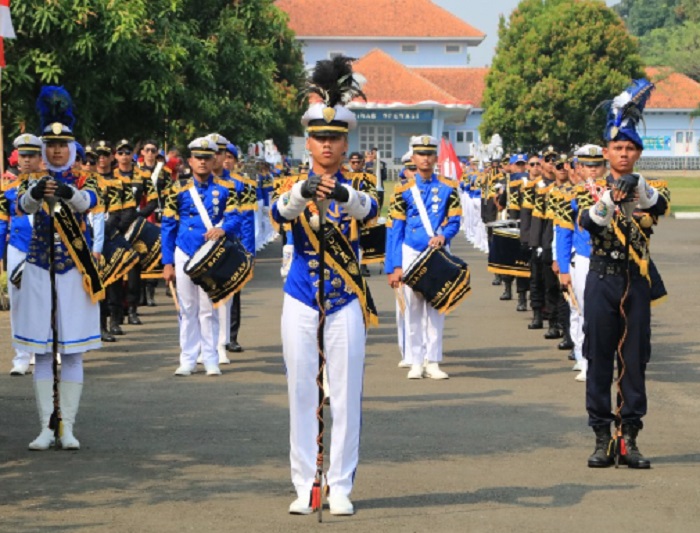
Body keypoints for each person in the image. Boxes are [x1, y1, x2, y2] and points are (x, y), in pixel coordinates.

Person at [271, 57, 378, 516]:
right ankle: (305, 482)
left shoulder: (359, 183)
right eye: (319, 137)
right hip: (300, 296)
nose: (327, 144)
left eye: (335, 138)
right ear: (308, 141)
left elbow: (370, 211)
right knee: (301, 390)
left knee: (347, 393)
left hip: (344, 298)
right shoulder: (290, 182)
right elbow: (278, 214)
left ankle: (341, 484)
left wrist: (340, 194)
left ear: (345, 141)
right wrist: (304, 192)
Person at [578, 80, 668, 469]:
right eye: (617, 148)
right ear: (606, 151)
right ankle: (602, 437)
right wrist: (608, 198)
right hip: (601, 278)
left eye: (631, 148)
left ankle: (629, 437)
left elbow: (659, 206)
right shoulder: (589, 188)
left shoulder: (650, 187)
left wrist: (638, 186)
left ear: (638, 152)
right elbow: (589, 222)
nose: (624, 153)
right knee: (598, 357)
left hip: (635, 280)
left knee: (634, 359)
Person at [16, 86, 104, 450]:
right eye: (50, 146)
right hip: (39, 270)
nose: (56, 150)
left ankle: (67, 425)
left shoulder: (85, 180)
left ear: (72, 148)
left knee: (71, 351)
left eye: (62, 144)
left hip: (74, 272)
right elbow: (21, 205)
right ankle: (44, 426)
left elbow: (89, 202)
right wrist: (38, 193)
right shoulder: (30, 180)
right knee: (40, 351)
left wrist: (66, 194)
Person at [161, 137, 241, 377]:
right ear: (190, 161)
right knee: (187, 308)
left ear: (214, 159)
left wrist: (223, 229)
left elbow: (236, 218)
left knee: (208, 309)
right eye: (198, 158)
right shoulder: (177, 190)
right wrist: (167, 262)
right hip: (184, 251)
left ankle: (210, 357)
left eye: (208, 157)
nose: (203, 162)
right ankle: (187, 358)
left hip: (211, 255)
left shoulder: (226, 189)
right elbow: (168, 226)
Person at [386, 135, 462, 380]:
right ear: (413, 158)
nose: (426, 159)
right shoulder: (402, 190)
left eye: (430, 154)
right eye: (421, 154)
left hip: (437, 252)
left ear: (435, 157)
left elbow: (455, 221)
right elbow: (395, 230)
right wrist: (394, 266)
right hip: (411, 252)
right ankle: (416, 360)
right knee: (413, 308)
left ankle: (433, 360)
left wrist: (444, 236)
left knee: (436, 308)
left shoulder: (449, 187)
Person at [555, 144, 606, 382]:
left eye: (597, 165)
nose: (593, 170)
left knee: (605, 313)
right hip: (583, 258)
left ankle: (601, 358)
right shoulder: (570, 196)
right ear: (579, 168)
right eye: (587, 166)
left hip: (608, 259)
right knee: (582, 310)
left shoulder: (612, 192)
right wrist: (563, 268)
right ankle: (584, 358)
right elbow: (563, 234)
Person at [1, 134, 43, 375]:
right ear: (17, 159)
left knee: (45, 301)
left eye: (32, 156)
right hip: (17, 247)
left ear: (39, 158)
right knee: (17, 303)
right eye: (23, 156)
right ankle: (21, 356)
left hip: (43, 250)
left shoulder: (49, 184)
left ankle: (43, 350)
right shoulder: (7, 188)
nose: (27, 161)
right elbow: (1, 225)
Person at [114, 138, 158, 325]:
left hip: (133, 226)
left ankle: (132, 308)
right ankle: (115, 314)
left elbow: (153, 200)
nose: (124, 156)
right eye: (121, 152)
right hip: (113, 226)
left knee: (133, 269)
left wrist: (139, 215)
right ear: (115, 155)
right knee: (114, 268)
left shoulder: (143, 175)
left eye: (127, 152)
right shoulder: (110, 175)